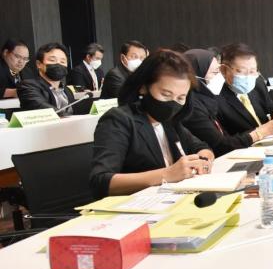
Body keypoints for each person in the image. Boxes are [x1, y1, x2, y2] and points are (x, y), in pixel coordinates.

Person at [90, 49, 214, 199]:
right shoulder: (118, 120)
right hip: (135, 204)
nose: (173, 104)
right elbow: (101, 181)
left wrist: (203, 161)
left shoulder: (170, 122)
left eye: (181, 98)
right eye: (166, 95)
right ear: (144, 87)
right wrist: (167, 174)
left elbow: (202, 148)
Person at [181, 48, 273, 155]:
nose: (220, 77)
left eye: (252, 71)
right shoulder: (192, 107)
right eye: (215, 73)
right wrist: (262, 132)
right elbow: (220, 145)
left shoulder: (207, 102)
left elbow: (225, 138)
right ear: (195, 77)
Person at [217, 42, 273, 137]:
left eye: (252, 71)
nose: (248, 77)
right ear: (224, 70)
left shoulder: (258, 83)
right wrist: (264, 131)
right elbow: (225, 141)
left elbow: (271, 107)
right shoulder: (215, 98)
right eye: (242, 71)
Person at [16, 42, 76, 115]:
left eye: (62, 61)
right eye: (52, 60)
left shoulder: (67, 90)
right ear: (39, 64)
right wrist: (66, 116)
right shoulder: (28, 86)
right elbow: (40, 107)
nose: (58, 64)